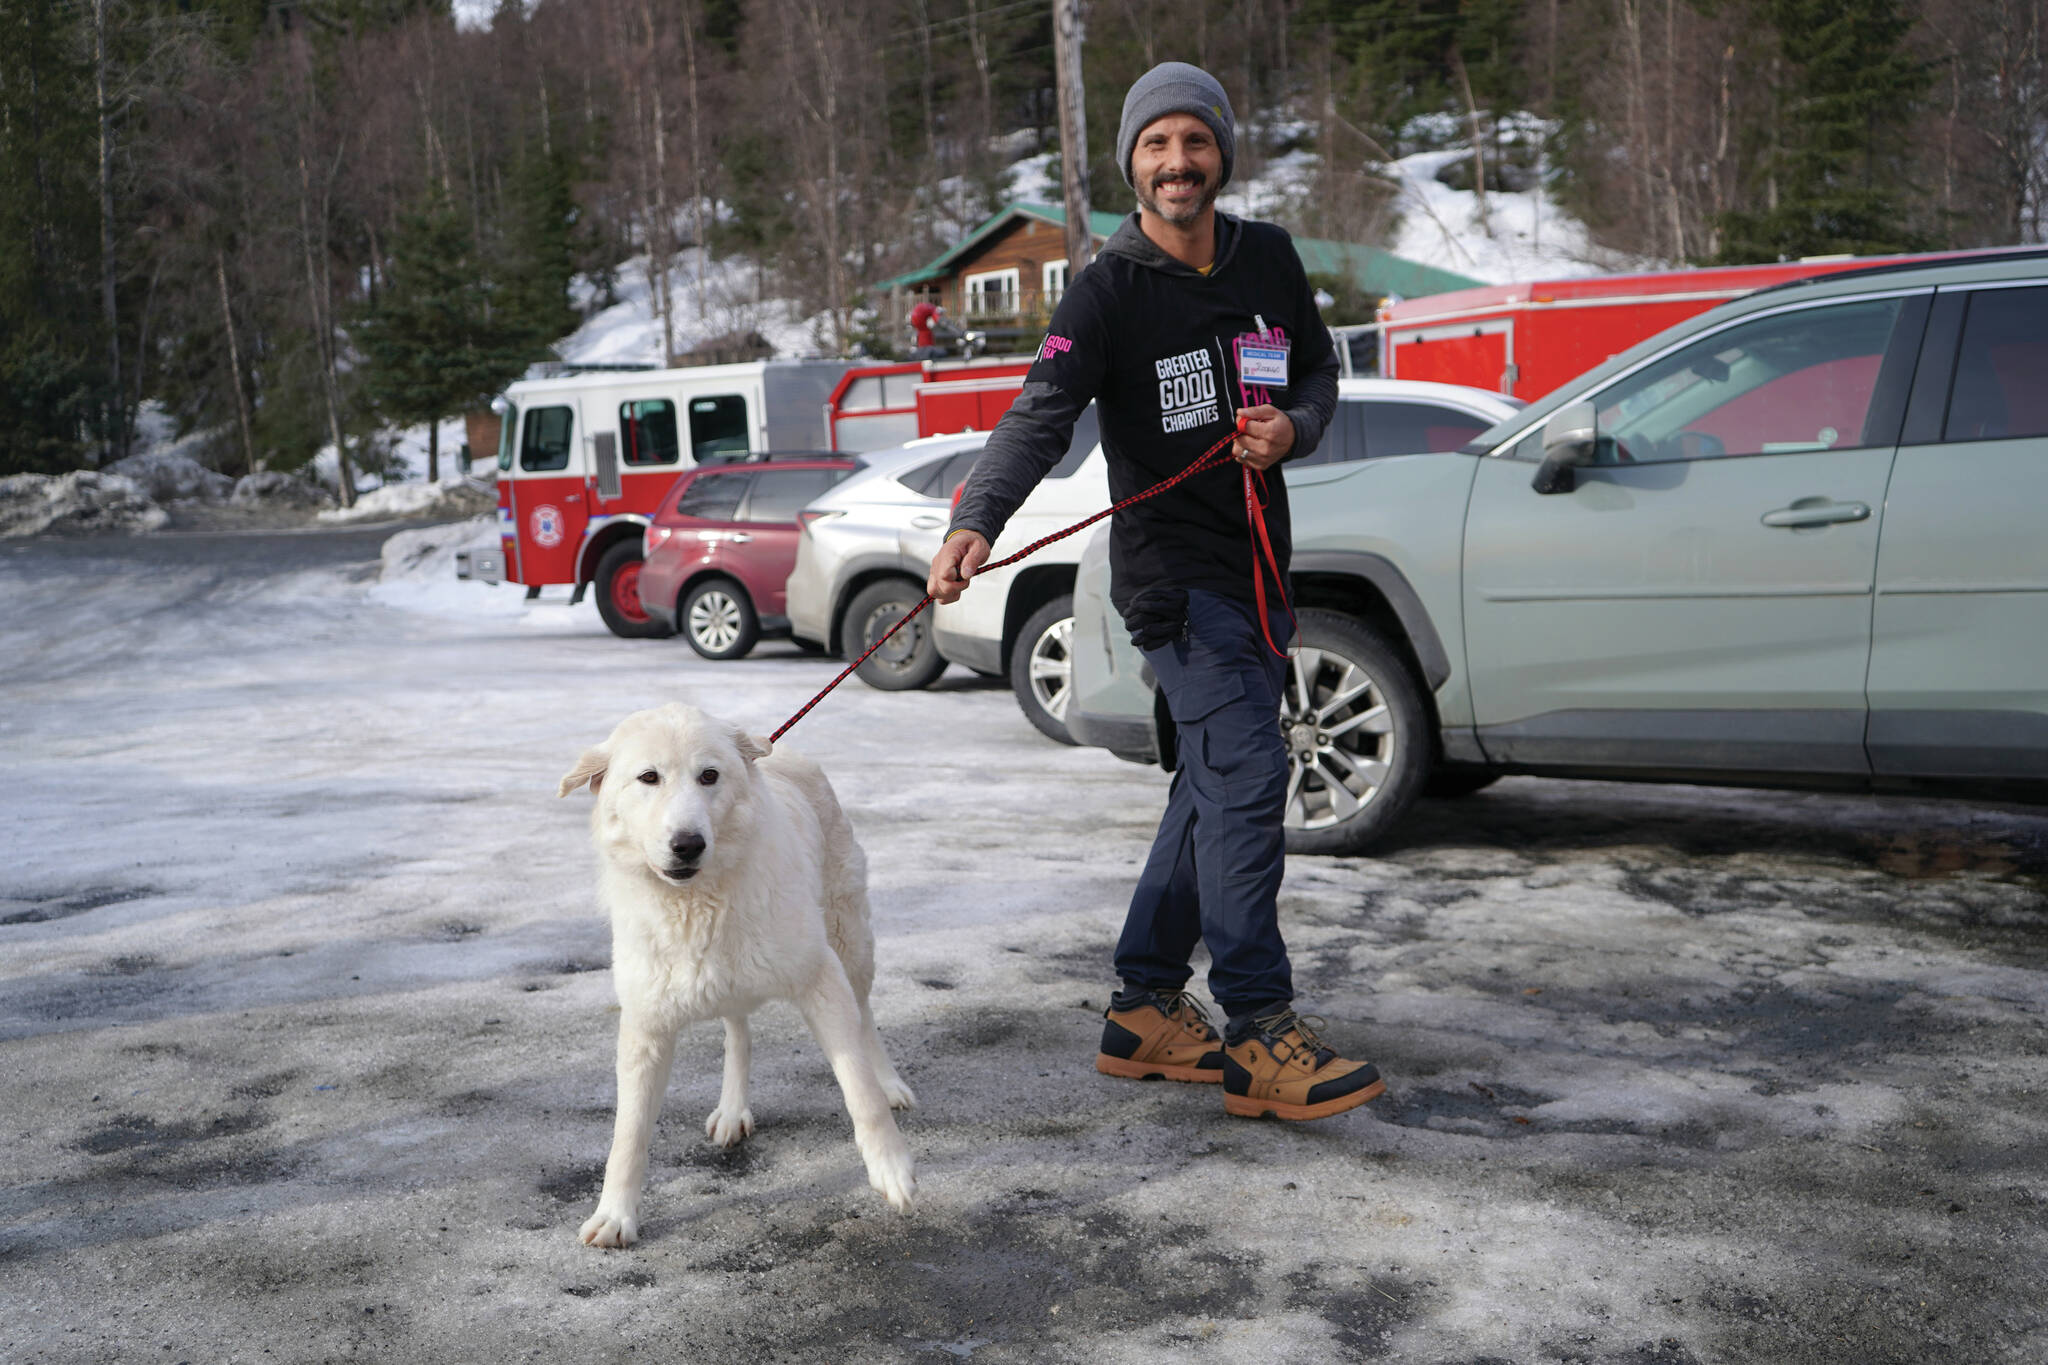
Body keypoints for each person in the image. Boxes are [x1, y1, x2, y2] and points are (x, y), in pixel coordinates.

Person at [927, 61, 1384, 1122]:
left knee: (1212, 782)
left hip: (1261, 564)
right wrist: (972, 520)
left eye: (1192, 141)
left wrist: (1292, 430)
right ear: (1128, 163)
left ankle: (1140, 1008)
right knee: (1247, 773)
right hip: (1173, 584)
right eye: (1154, 145)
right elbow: (1037, 415)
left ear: (1221, 152)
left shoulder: (1267, 258)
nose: (1175, 163)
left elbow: (1315, 374)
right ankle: (1259, 1030)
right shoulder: (1105, 290)